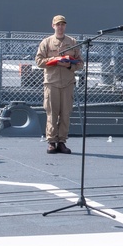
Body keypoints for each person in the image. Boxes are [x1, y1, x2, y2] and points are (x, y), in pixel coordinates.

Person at [35, 15, 82, 154]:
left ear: (65, 26)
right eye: (58, 24)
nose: (60, 27)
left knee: (65, 113)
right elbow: (38, 61)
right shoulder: (47, 42)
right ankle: (51, 142)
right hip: (52, 82)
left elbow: (80, 63)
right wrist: (54, 59)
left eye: (62, 24)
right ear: (53, 26)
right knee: (52, 113)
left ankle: (62, 141)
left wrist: (69, 66)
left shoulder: (72, 42)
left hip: (67, 83)